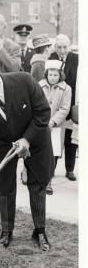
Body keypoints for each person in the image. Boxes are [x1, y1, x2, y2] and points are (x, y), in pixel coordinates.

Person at [0, 57, 54, 251]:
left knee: (37, 184)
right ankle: (7, 231)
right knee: (5, 186)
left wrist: (27, 139)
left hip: (36, 137)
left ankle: (40, 231)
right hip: (3, 141)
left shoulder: (24, 81)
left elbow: (43, 113)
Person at [48, 34, 78, 181]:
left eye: (65, 47)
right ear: (55, 47)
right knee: (55, 141)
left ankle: (70, 169)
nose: (62, 50)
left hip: (71, 105)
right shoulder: (51, 58)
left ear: (69, 46)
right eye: (59, 47)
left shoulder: (76, 59)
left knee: (70, 140)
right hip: (56, 106)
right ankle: (51, 169)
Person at [39, 60, 72, 195]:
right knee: (40, 153)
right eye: (50, 75)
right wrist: (41, 121)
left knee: (53, 154)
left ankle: (48, 181)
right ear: (46, 74)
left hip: (57, 126)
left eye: (55, 75)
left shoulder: (66, 89)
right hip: (40, 124)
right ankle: (37, 177)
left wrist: (52, 122)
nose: (52, 78)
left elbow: (65, 108)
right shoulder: (39, 86)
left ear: (60, 75)